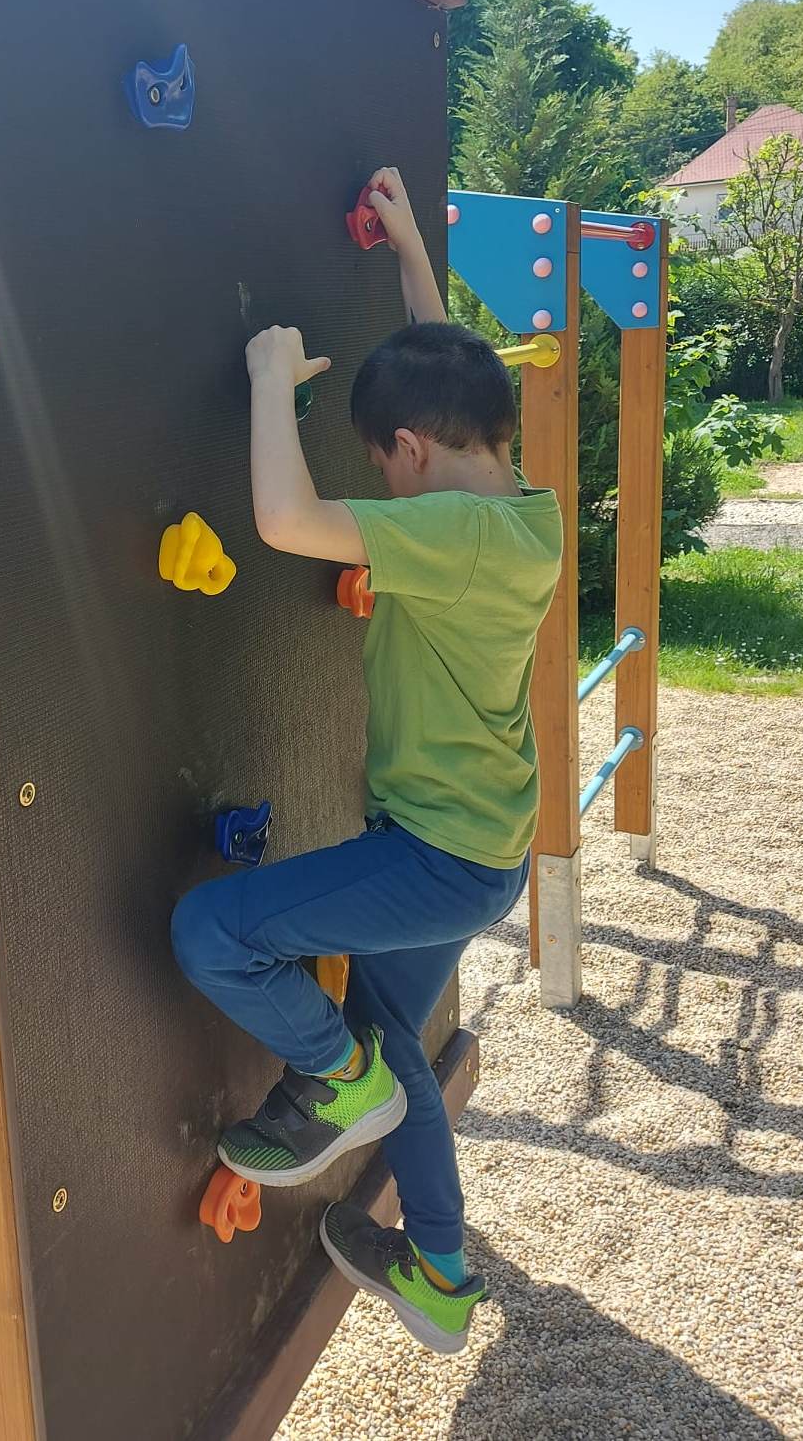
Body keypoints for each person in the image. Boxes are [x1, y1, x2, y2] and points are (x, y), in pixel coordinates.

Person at [171, 167, 562, 1354]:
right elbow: (443, 366)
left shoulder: (445, 530)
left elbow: (287, 523)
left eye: (380, 464)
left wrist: (267, 382)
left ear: (406, 450)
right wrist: (406, 253)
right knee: (400, 1042)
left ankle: (334, 1080)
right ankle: (438, 1273)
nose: (381, 486)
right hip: (484, 846)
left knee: (211, 931)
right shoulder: (520, 507)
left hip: (436, 856)